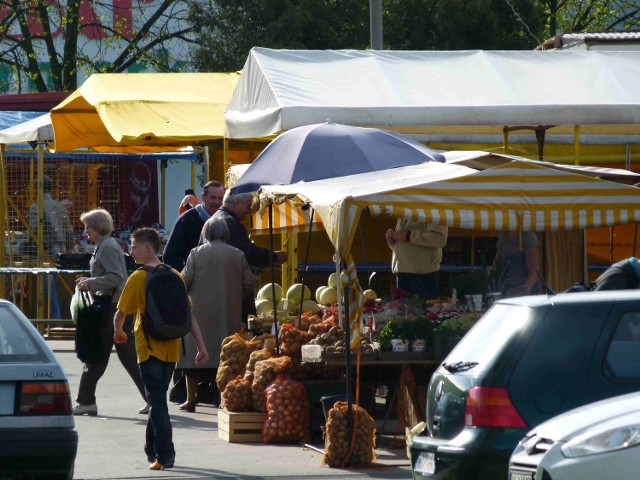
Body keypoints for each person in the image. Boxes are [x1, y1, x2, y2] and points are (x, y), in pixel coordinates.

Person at [114, 227, 208, 471]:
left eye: (134, 246)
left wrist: (119, 332)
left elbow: (120, 314)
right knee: (157, 399)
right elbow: (190, 316)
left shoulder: (138, 278)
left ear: (148, 248)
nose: (131, 250)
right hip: (172, 349)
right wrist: (201, 346)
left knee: (158, 403)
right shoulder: (175, 275)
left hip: (148, 348)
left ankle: (165, 455)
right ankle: (150, 448)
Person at [176, 217, 256, 413]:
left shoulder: (196, 253)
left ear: (206, 233)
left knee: (193, 360)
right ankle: (222, 398)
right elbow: (249, 283)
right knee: (227, 358)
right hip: (228, 311)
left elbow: (184, 280)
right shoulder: (238, 254)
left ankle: (190, 399)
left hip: (199, 312)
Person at [73, 208, 148, 416]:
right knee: (126, 357)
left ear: (98, 227)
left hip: (111, 308)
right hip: (113, 306)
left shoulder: (106, 247)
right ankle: (153, 398)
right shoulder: (104, 245)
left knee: (97, 354)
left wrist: (91, 282)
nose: (85, 231)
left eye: (88, 226)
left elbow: (115, 276)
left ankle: (86, 401)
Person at [27, 175, 73, 319]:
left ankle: (56, 318)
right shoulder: (59, 206)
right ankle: (56, 317)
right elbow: (68, 230)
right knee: (50, 286)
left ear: (36, 189)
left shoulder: (36, 206)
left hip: (46, 251)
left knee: (48, 288)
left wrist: (25, 245)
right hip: (61, 250)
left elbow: (34, 230)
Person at [212, 191, 288, 269]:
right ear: (237, 203)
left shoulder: (214, 218)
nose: (250, 211)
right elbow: (248, 255)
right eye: (249, 206)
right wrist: (274, 257)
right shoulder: (230, 223)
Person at [162, 180, 224, 271]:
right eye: (213, 198)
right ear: (203, 197)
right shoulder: (187, 220)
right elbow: (169, 255)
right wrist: (189, 275)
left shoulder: (225, 220)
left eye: (220, 198)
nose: (217, 202)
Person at [385, 220, 448, 301]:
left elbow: (440, 239)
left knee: (424, 311)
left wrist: (409, 236)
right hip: (402, 274)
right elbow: (406, 244)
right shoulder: (404, 210)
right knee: (402, 312)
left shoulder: (431, 208)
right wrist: (393, 240)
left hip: (423, 276)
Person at [494, 231, 541, 298]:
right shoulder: (503, 234)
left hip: (523, 286)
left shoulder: (527, 236)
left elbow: (534, 269)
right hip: (507, 285)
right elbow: (498, 259)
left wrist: (526, 289)